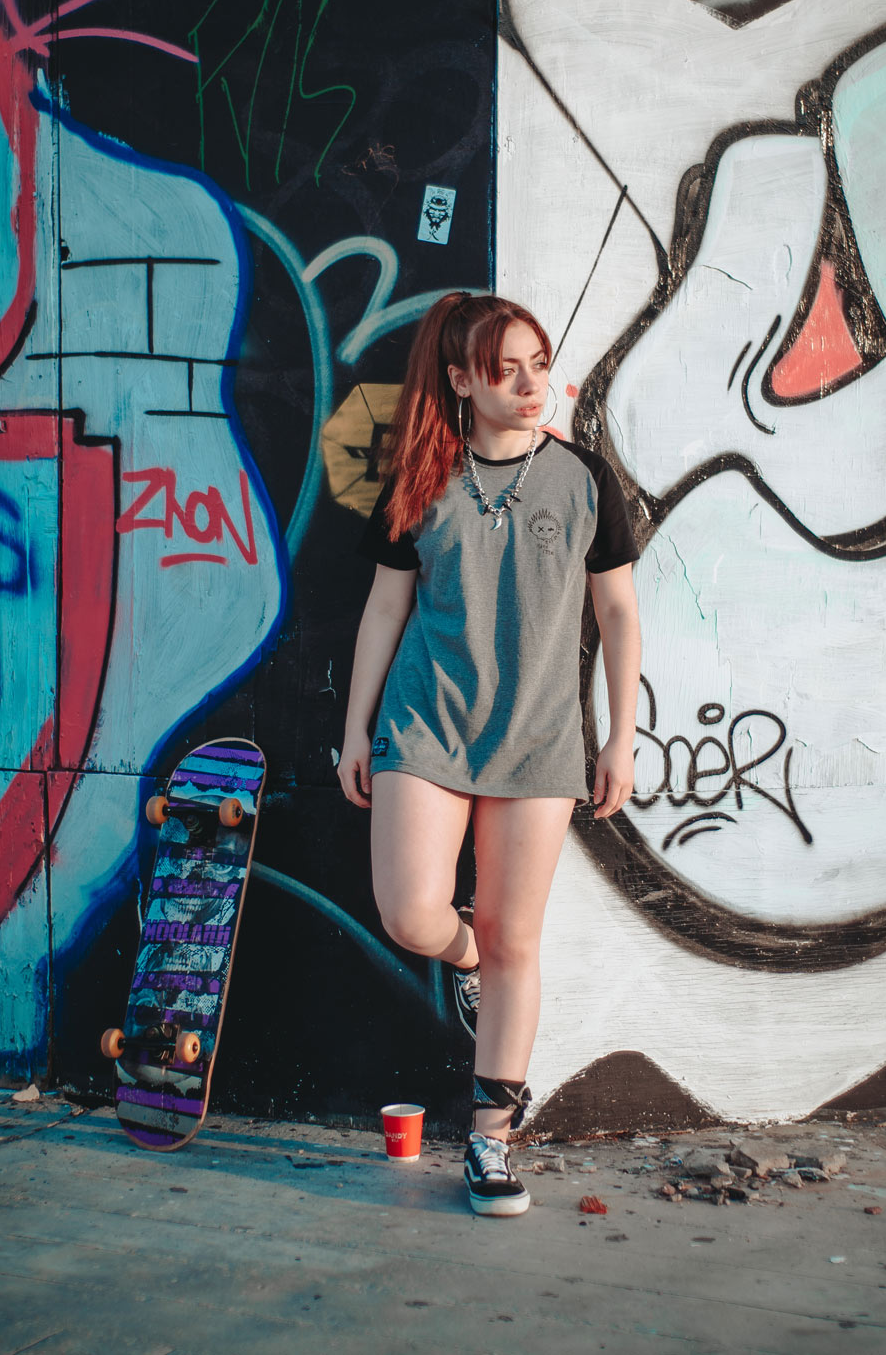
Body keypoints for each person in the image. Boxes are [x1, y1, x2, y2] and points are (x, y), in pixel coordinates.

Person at [337, 292, 641, 1216]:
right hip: (426, 725)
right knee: (411, 913)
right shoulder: (422, 477)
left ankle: (490, 1141)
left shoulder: (585, 479)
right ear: (462, 381)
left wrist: (620, 735)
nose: (530, 385)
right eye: (505, 370)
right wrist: (355, 730)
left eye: (538, 364)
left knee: (520, 940)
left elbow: (618, 611)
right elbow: (385, 607)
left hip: (540, 739)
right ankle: (469, 956)